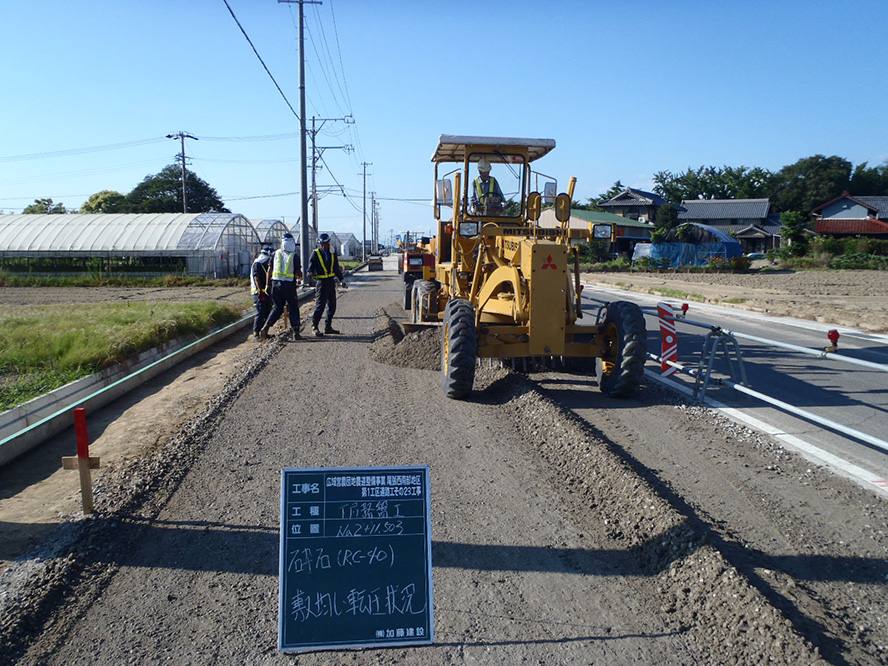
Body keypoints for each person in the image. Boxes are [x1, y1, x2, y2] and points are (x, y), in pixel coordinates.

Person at [260, 232, 303, 340]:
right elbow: (298, 272)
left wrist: (267, 285)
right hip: (289, 285)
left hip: (276, 284)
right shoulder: (294, 256)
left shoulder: (275, 254)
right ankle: (296, 332)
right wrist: (300, 277)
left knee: (277, 307)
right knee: (293, 307)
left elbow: (269, 270)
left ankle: (266, 326)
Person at [308, 232, 346, 337]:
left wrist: (342, 280)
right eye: (323, 244)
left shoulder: (332, 253)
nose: (324, 246)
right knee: (320, 306)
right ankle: (315, 326)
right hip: (321, 283)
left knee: (332, 305)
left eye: (326, 244)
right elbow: (310, 268)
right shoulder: (315, 253)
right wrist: (310, 273)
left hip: (330, 282)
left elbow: (336, 268)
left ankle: (328, 327)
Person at [250, 245, 274, 339]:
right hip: (259, 293)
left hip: (265, 293)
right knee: (260, 313)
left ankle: (263, 332)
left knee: (267, 312)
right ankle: (256, 333)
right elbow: (257, 278)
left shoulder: (264, 265)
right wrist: (260, 291)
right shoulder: (257, 264)